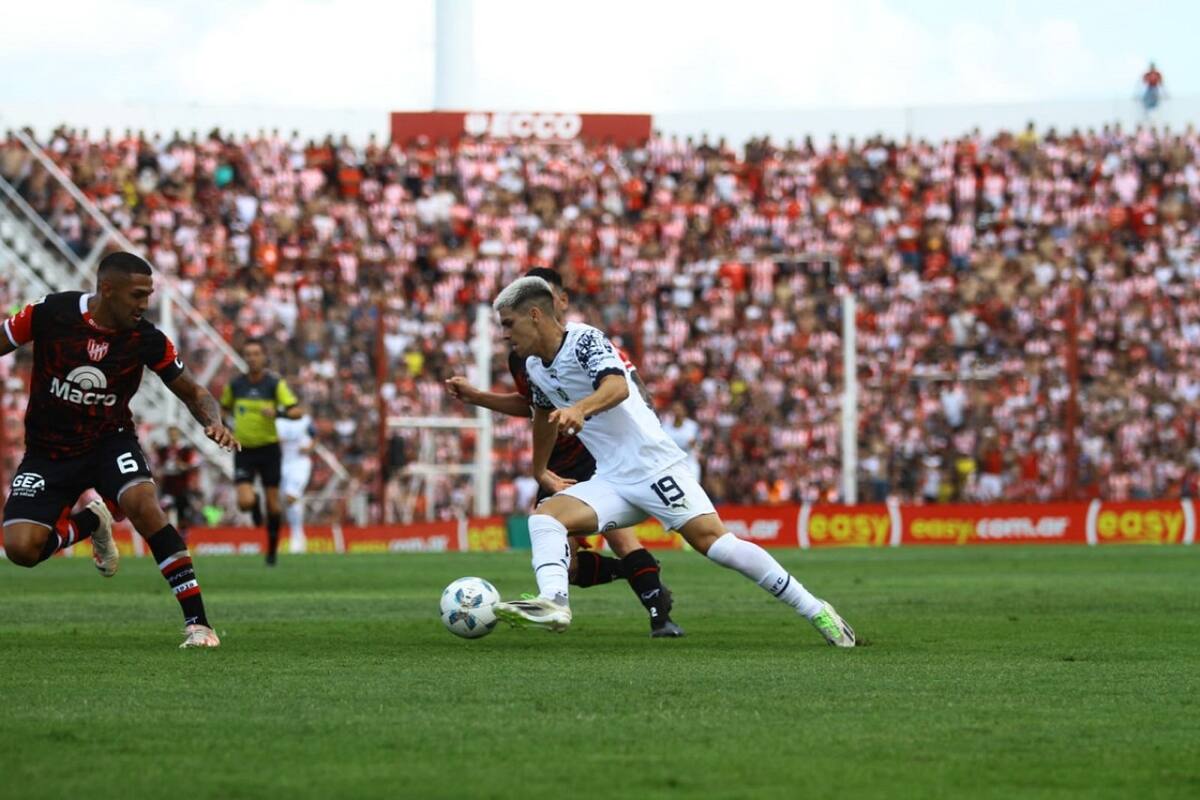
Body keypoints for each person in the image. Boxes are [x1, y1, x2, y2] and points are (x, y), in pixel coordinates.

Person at [487, 277, 855, 646]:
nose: (504, 334)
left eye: (508, 323)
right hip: (612, 478)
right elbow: (541, 413)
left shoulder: (585, 340)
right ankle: (554, 602)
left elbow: (617, 387)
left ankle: (816, 610)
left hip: (653, 466)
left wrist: (580, 409)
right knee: (546, 519)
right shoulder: (533, 365)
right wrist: (539, 470)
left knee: (718, 546)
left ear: (534, 315)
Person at [0, 251, 238, 648]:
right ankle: (92, 524)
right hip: (47, 452)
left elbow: (194, 392)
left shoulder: (146, 339)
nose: (144, 304)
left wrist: (212, 421)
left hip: (110, 441)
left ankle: (199, 624)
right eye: (137, 295)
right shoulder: (51, 312)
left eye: (148, 295)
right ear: (107, 289)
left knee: (144, 504)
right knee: (21, 549)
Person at [446, 268, 683, 638]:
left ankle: (660, 617)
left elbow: (629, 388)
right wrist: (478, 397)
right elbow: (533, 405)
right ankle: (633, 572)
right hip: (556, 458)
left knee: (619, 536)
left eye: (549, 295)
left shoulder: (588, 343)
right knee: (566, 565)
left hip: (595, 451)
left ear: (560, 301)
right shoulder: (522, 356)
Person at [220, 339, 302, 565]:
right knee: (245, 502)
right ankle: (254, 503)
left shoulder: (274, 384)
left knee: (274, 506)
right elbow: (223, 409)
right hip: (244, 449)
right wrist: (225, 428)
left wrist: (278, 412)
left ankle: (272, 551)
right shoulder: (236, 385)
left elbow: (297, 411)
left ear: (263, 357)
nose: (252, 358)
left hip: (269, 449)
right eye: (248, 354)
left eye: (256, 353)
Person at [275, 411, 315, 554]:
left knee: (291, 496)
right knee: (285, 500)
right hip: (282, 463)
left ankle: (297, 536)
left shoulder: (305, 420)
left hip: (300, 463)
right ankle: (297, 536)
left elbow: (314, 436)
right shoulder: (277, 421)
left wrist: (310, 447)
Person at [156, 425, 200, 539]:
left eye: (175, 434)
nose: (173, 436)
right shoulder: (163, 450)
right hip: (168, 484)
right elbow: (156, 466)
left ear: (179, 435)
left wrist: (182, 466)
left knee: (182, 512)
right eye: (171, 434)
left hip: (182, 485)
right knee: (165, 508)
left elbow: (194, 466)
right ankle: (166, 535)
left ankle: (183, 536)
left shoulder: (186, 450)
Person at [662, 401, 702, 482]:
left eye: (679, 410)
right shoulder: (665, 427)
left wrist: (695, 445)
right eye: (675, 410)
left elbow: (699, 445)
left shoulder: (693, 426)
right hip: (671, 464)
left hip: (689, 462)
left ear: (684, 411)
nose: (677, 412)